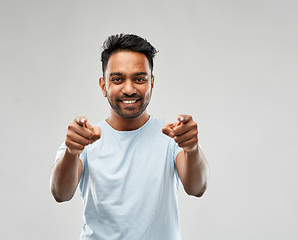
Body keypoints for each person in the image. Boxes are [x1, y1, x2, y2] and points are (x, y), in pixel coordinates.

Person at [50, 33, 209, 240]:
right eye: (117, 79)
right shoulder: (83, 138)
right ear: (103, 86)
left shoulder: (172, 135)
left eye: (139, 79)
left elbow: (197, 188)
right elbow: (60, 194)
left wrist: (192, 148)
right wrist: (72, 152)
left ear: (152, 83)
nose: (129, 89)